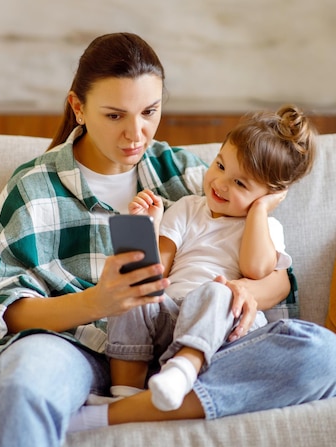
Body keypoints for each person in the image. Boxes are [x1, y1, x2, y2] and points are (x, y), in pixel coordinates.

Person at [0, 32, 336, 447]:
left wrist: (246, 290)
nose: (135, 134)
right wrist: (97, 302)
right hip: (71, 347)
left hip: (177, 348)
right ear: (78, 107)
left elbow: (277, 278)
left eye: (149, 111)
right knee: (22, 384)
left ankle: (108, 415)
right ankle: (112, 401)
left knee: (321, 355)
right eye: (114, 116)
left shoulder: (186, 174)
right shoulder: (34, 187)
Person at [106, 105, 313, 412]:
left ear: (270, 194)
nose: (220, 183)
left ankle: (183, 371)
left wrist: (258, 211)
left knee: (220, 289)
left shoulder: (267, 228)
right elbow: (155, 270)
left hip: (225, 327)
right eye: (219, 165)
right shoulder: (188, 208)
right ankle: (125, 394)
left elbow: (255, 269)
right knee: (136, 288)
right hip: (172, 314)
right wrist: (148, 225)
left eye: (240, 183)